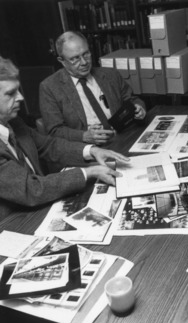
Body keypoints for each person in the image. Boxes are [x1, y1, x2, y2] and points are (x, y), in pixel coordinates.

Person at [0, 56, 130, 222]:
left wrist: (92, 150)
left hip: (40, 208)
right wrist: (88, 172)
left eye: (18, 90)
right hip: (12, 223)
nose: (21, 97)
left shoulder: (14, 122)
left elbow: (48, 145)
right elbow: (31, 190)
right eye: (11, 93)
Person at [39, 31, 146, 146]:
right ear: (62, 61)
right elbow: (54, 130)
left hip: (123, 138)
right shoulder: (49, 87)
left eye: (86, 54)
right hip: (87, 148)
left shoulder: (110, 75)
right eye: (75, 58)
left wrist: (139, 108)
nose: (84, 62)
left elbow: (132, 100)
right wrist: (84, 136)